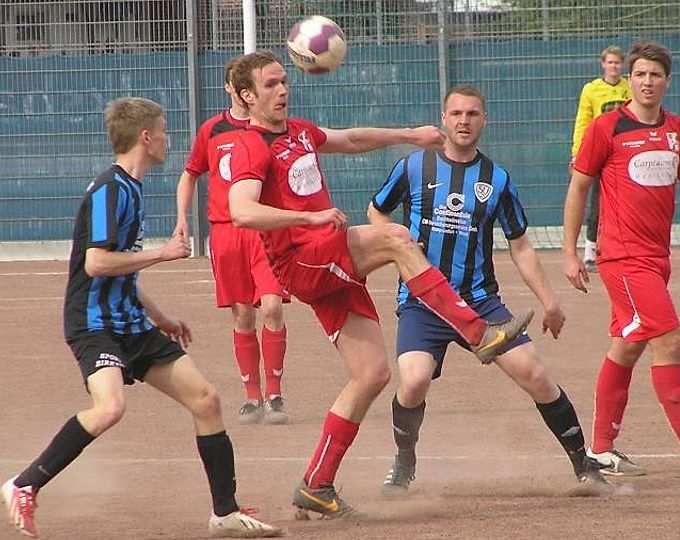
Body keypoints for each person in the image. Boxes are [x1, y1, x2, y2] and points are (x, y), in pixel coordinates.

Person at [225, 51, 533, 519]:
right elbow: (242, 211)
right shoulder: (250, 146)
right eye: (270, 84)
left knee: (372, 374)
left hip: (324, 255)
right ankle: (478, 332)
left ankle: (316, 484)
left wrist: (409, 135)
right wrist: (308, 218)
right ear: (248, 96)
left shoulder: (299, 132)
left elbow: (350, 139)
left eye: (284, 80)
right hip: (302, 259)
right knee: (396, 238)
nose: (283, 89)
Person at [0, 97, 280, 538]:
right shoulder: (110, 190)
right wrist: (163, 254)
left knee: (206, 400)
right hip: (94, 324)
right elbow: (96, 263)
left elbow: (121, 267)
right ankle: (23, 484)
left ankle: (225, 513)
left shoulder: (132, 188)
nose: (168, 139)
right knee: (110, 407)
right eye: (164, 131)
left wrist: (160, 316)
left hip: (130, 321)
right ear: (146, 137)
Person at [368, 84, 612, 497]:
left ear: (484, 121)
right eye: (456, 113)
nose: (463, 121)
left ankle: (583, 465)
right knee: (413, 381)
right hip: (423, 303)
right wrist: (396, 240)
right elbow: (377, 210)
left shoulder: (497, 179)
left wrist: (549, 302)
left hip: (480, 302)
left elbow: (521, 245)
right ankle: (404, 463)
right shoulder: (413, 166)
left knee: (534, 374)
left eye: (472, 114)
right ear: (443, 119)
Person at [562, 40, 680, 477]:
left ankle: (601, 451)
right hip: (622, 257)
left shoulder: (676, 129)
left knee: (627, 347)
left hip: (658, 258)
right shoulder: (606, 128)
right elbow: (579, 187)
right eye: (639, 74)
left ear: (667, 82)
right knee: (669, 339)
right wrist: (570, 252)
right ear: (629, 80)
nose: (647, 81)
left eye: (655, 75)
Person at [175, 55, 292, 424]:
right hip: (227, 233)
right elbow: (190, 173)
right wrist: (182, 219)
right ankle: (252, 397)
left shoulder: (272, 128)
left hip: (264, 231)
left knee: (272, 306)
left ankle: (275, 394)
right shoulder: (212, 130)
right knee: (243, 315)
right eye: (231, 83)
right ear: (233, 89)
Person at [572, 45, 631, 271]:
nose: (614, 66)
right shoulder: (592, 90)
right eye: (610, 62)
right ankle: (590, 252)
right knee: (597, 202)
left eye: (617, 62)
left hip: (625, 153)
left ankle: (624, 250)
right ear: (603, 64)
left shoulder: (629, 88)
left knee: (627, 203)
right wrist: (577, 153)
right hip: (601, 154)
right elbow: (583, 121)